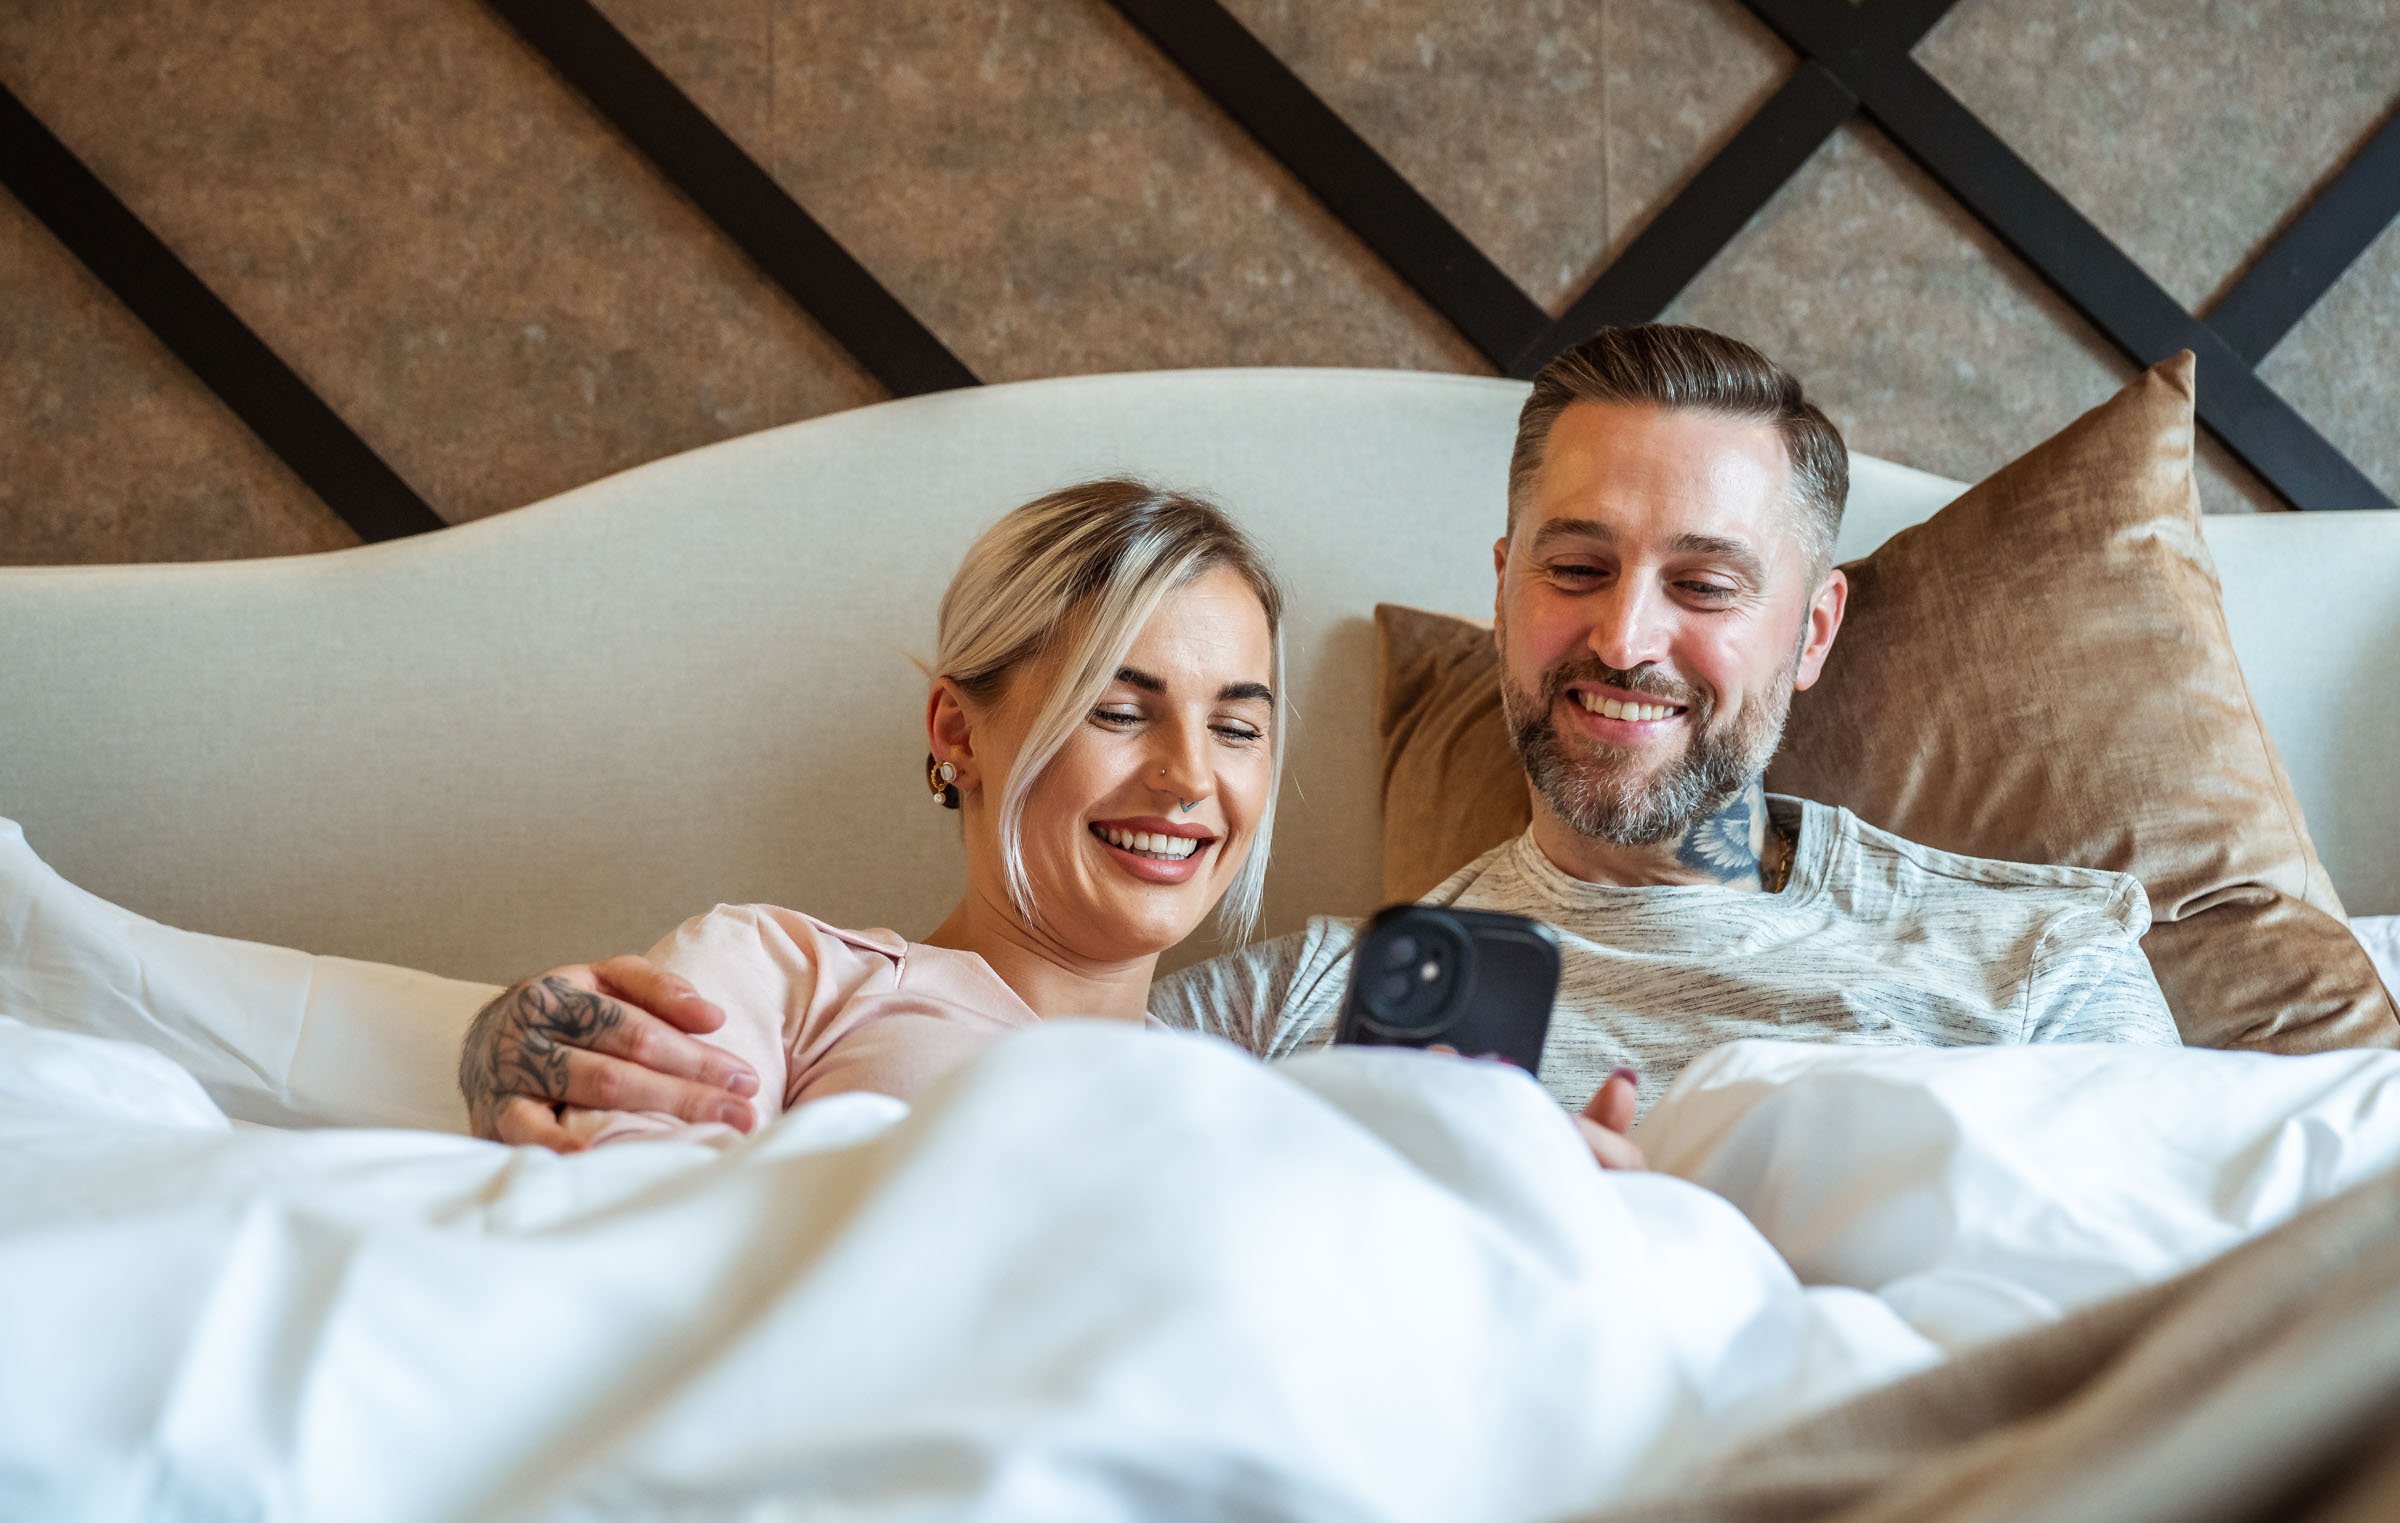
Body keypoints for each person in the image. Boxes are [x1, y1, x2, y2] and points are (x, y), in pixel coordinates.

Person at [459, 324, 2178, 1141]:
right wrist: (525, 1045)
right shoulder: (1308, 1001)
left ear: (1811, 628)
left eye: (1704, 582)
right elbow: (1017, 1067)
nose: (1626, 634)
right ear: (1505, 594)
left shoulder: (2043, 955)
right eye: (1577, 567)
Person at [456, 478, 1648, 1163]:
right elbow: (635, 1190)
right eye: (1118, 711)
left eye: (1237, 726)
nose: (1189, 778)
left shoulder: (1273, 1088)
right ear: (956, 730)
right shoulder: (796, 973)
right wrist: (518, 1047)